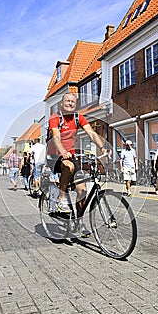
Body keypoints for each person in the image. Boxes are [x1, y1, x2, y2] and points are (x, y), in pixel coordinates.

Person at [47, 92, 106, 236]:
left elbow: (91, 134)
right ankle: (61, 198)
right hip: (55, 155)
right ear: (62, 103)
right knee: (69, 166)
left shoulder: (79, 118)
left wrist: (103, 148)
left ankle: (79, 222)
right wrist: (62, 151)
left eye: (73, 102)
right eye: (67, 101)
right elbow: (56, 137)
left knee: (82, 190)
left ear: (75, 104)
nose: (70, 104)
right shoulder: (55, 118)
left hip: (71, 155)